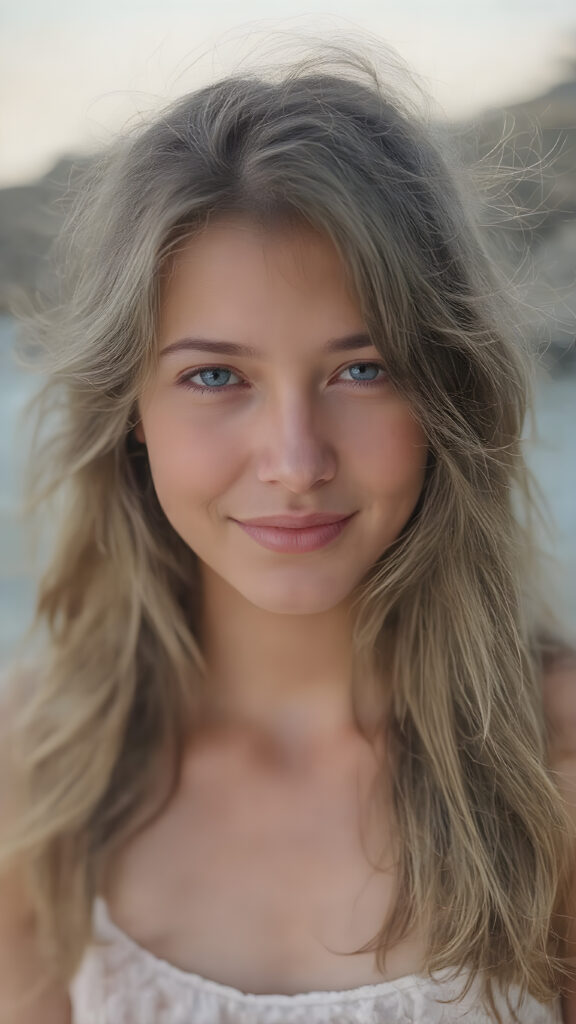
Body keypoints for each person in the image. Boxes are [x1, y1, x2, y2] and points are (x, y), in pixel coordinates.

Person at [1, 38, 576, 1024]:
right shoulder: (38, 766)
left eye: (363, 369)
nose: (296, 460)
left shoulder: (554, 762)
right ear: (131, 411)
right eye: (215, 376)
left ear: (447, 389)